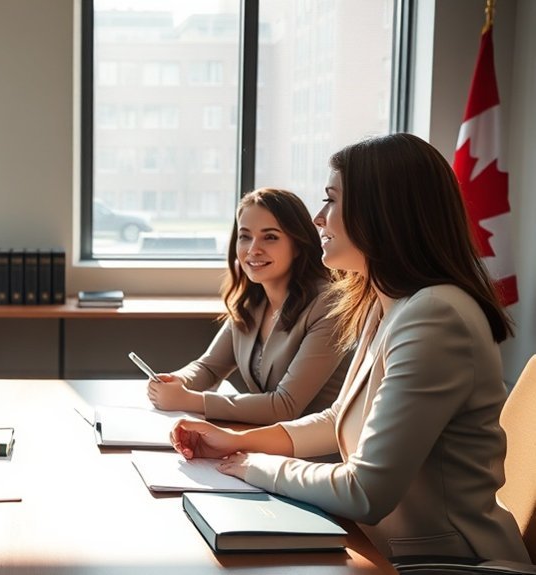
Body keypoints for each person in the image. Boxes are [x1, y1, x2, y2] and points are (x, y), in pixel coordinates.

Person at [170, 133, 528, 561]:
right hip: (383, 549)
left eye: (332, 200)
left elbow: (365, 492)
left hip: (450, 563)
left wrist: (253, 466)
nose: (318, 218)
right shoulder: (386, 303)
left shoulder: (435, 315)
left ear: (382, 212)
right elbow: (337, 418)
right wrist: (236, 442)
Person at [147, 188, 350, 424]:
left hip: (319, 445)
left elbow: (285, 406)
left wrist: (189, 400)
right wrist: (176, 381)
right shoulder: (251, 302)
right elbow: (209, 368)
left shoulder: (329, 304)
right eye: (245, 236)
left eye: (270, 237)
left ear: (297, 244)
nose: (253, 249)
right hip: (268, 438)